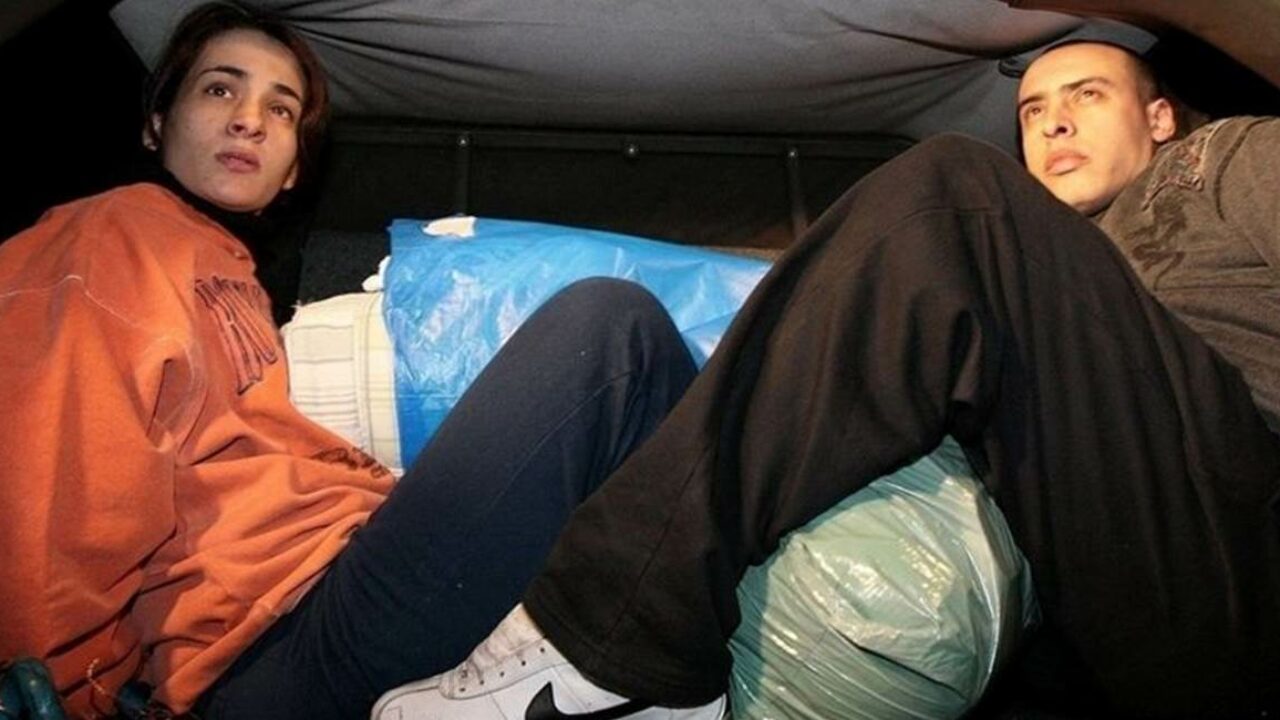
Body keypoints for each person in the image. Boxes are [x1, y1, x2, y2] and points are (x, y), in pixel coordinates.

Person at [374, 19, 1280, 720]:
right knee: (643, 357)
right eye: (1032, 112)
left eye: (1086, 95)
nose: (1055, 123)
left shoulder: (1223, 159)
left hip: (1234, 534)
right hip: (1082, 611)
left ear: (1160, 117)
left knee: (952, 193)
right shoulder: (1030, 291)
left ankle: (606, 639)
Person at [0, 3, 699, 719]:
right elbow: (48, 476)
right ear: (155, 124)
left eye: (280, 109)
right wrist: (61, 693)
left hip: (325, 595)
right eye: (219, 89)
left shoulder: (230, 273)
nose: (248, 120)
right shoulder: (105, 238)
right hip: (278, 643)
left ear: (293, 169)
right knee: (613, 335)